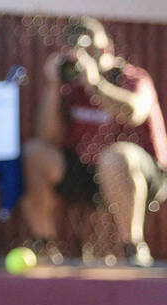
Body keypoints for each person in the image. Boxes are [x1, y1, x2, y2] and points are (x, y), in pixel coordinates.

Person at [21, 17, 167, 267]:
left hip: (141, 176)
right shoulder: (70, 85)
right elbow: (47, 136)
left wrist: (96, 84)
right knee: (33, 153)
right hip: (90, 175)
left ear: (107, 48)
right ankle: (44, 243)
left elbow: (135, 111)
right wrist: (53, 86)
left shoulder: (132, 77)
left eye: (92, 49)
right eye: (80, 52)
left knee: (115, 156)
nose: (87, 57)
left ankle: (132, 246)